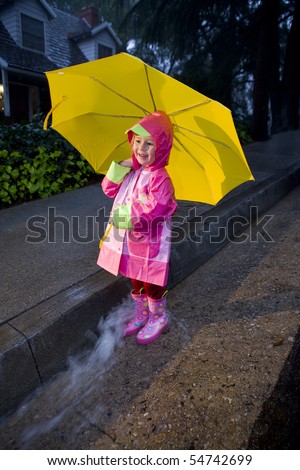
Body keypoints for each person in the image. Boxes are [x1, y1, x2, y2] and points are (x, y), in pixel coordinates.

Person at [97, 110, 177, 344]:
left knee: (151, 281)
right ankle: (142, 314)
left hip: (151, 243)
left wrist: (123, 218)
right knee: (135, 277)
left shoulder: (160, 178)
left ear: (160, 147)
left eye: (149, 143)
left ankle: (158, 316)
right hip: (131, 241)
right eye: (138, 141)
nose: (142, 148)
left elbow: (157, 208)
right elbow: (109, 189)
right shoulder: (133, 171)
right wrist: (123, 165)